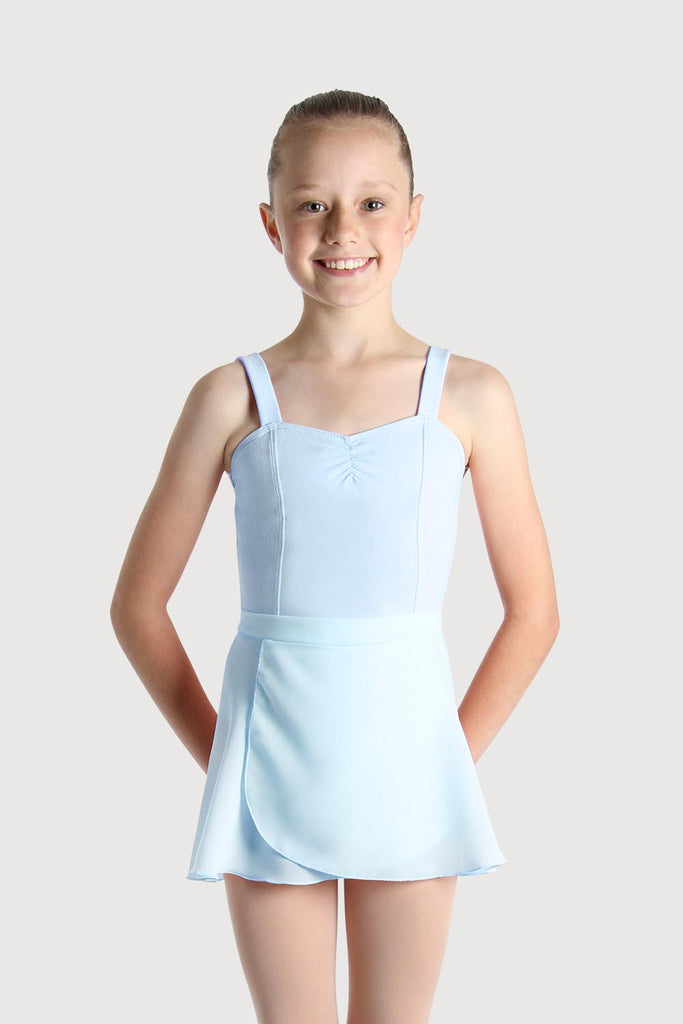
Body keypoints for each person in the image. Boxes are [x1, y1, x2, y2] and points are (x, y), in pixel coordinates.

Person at [111, 89, 560, 1023]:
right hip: (270, 765)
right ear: (271, 223)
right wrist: (226, 758)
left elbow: (533, 612)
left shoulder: (471, 394)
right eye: (312, 204)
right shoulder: (229, 397)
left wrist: (444, 760)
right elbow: (138, 607)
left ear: (413, 216)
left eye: (371, 202)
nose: (342, 229)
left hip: (412, 769)